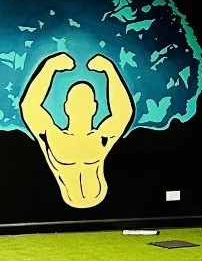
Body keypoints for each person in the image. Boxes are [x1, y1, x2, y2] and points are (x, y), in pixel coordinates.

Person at [20, 52, 134, 209]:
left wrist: (110, 69)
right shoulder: (52, 135)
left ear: (95, 107)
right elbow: (29, 107)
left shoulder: (101, 137)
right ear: (66, 106)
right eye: (76, 100)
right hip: (63, 202)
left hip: (100, 199)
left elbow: (123, 113)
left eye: (85, 100)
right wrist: (50, 66)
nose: (80, 104)